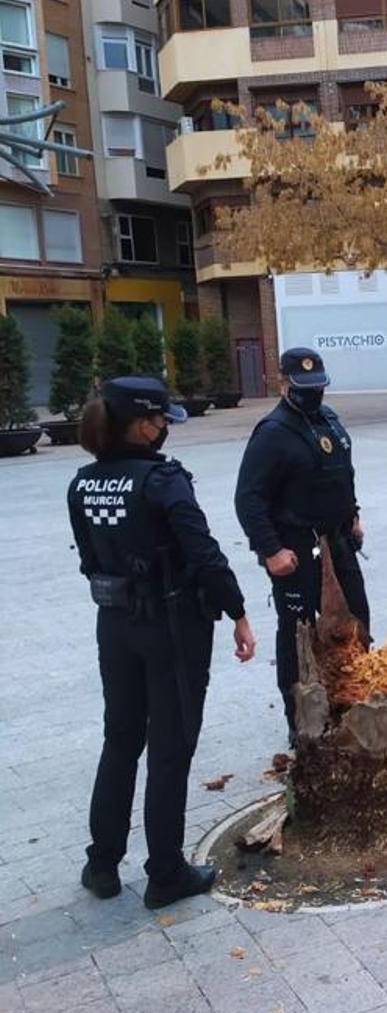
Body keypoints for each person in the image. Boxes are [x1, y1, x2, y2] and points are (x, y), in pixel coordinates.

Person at [68, 377, 255, 908]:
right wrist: (238, 611)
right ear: (143, 424)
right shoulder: (163, 481)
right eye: (161, 420)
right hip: (172, 628)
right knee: (170, 749)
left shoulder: (82, 484)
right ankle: (166, 873)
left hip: (115, 625)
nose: (165, 429)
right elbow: (204, 552)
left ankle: (102, 863)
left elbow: (88, 559)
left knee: (121, 739)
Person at [235, 347, 369, 735]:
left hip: (338, 540)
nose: (312, 393)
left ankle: (355, 704)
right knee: (299, 633)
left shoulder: (329, 420)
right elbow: (248, 499)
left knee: (357, 620)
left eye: (318, 386)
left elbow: (343, 473)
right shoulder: (273, 433)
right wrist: (270, 550)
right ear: (283, 384)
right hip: (295, 547)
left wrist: (354, 514)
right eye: (303, 386)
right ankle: (301, 723)